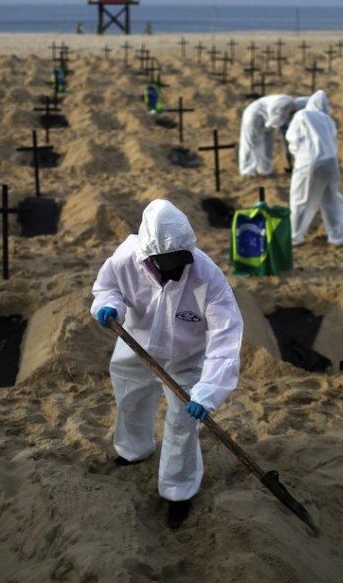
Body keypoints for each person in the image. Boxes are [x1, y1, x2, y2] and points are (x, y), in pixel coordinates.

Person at [91, 199, 244, 529]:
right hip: (135, 346)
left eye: (182, 261)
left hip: (185, 360)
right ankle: (133, 450)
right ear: (149, 257)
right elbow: (107, 288)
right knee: (130, 400)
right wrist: (108, 306)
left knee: (181, 424)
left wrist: (208, 391)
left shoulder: (208, 278)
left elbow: (225, 340)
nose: (178, 269)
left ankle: (178, 491)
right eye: (169, 263)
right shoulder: (126, 259)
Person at [285, 90, 343, 247]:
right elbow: (333, 141)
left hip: (309, 161)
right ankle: (336, 237)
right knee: (330, 198)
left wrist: (298, 156)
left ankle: (294, 236)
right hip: (331, 162)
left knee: (300, 199)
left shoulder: (302, 115)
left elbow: (292, 139)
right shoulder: (328, 120)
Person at [238, 94, 298, 176]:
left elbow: (285, 132)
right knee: (251, 142)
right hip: (254, 114)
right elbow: (278, 123)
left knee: (268, 144)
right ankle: (247, 170)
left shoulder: (292, 108)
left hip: (268, 118)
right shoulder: (281, 104)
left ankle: (264, 170)